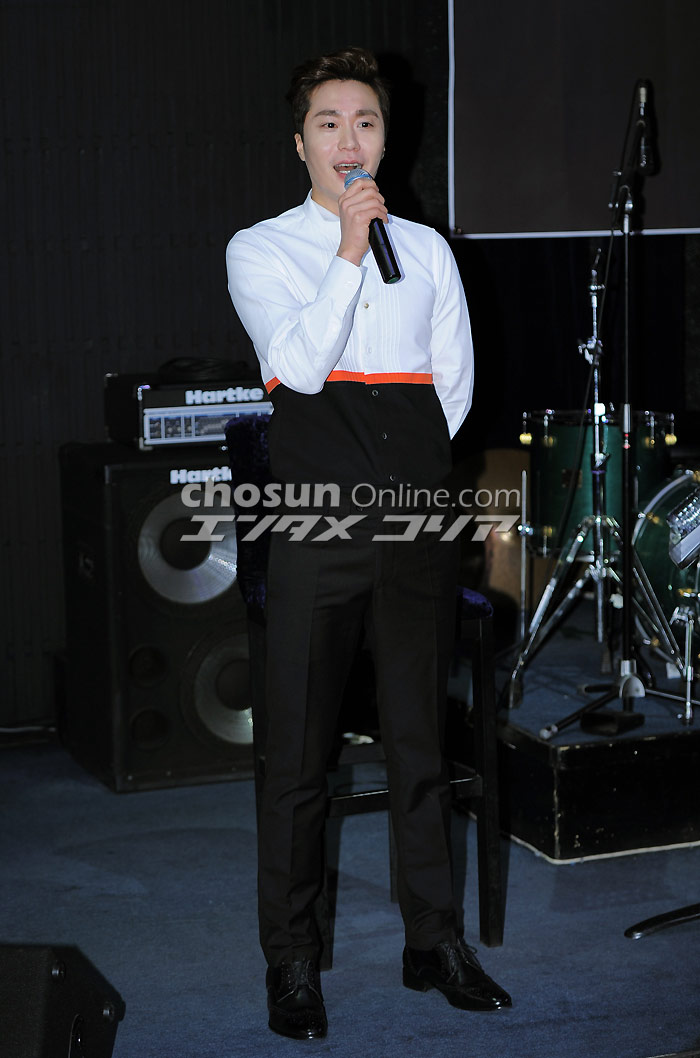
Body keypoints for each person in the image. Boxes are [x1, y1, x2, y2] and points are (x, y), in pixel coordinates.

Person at [226, 46, 511, 1040]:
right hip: (317, 523)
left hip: (415, 520)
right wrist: (348, 250)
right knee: (298, 756)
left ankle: (433, 941)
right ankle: (292, 959)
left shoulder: (427, 250)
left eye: (367, 122)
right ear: (299, 142)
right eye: (329, 123)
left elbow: (454, 385)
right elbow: (299, 369)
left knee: (419, 743)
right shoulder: (261, 249)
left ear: (386, 139)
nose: (350, 140)